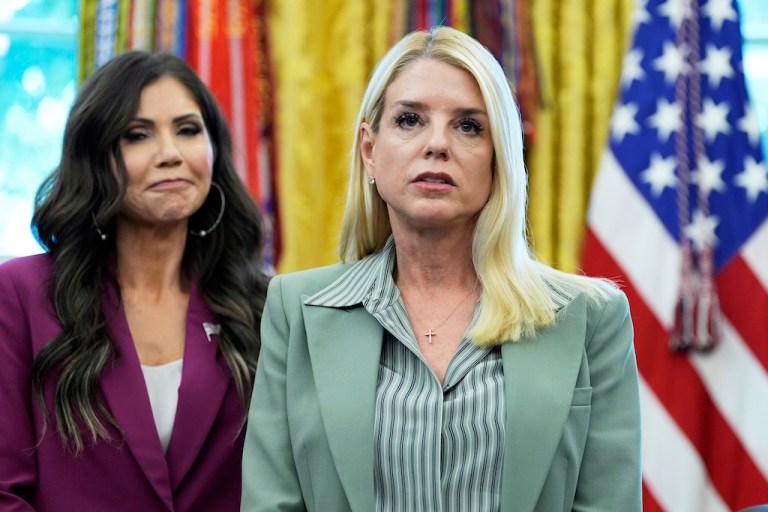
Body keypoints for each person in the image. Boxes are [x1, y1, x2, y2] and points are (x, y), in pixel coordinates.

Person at [241, 25, 641, 512]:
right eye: (409, 120)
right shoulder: (295, 310)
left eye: (469, 126)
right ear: (370, 149)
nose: (437, 144)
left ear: (499, 158)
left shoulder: (590, 317)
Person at [0, 51, 269, 511]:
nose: (171, 154)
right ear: (95, 157)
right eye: (137, 135)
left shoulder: (261, 305)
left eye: (187, 130)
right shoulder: (20, 294)